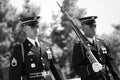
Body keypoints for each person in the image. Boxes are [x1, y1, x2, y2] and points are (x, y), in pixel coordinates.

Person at [9, 16, 64, 80]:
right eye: (32, 27)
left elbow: (55, 69)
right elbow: (14, 74)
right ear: (24, 29)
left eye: (37, 26)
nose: (36, 29)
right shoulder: (20, 48)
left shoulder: (46, 46)